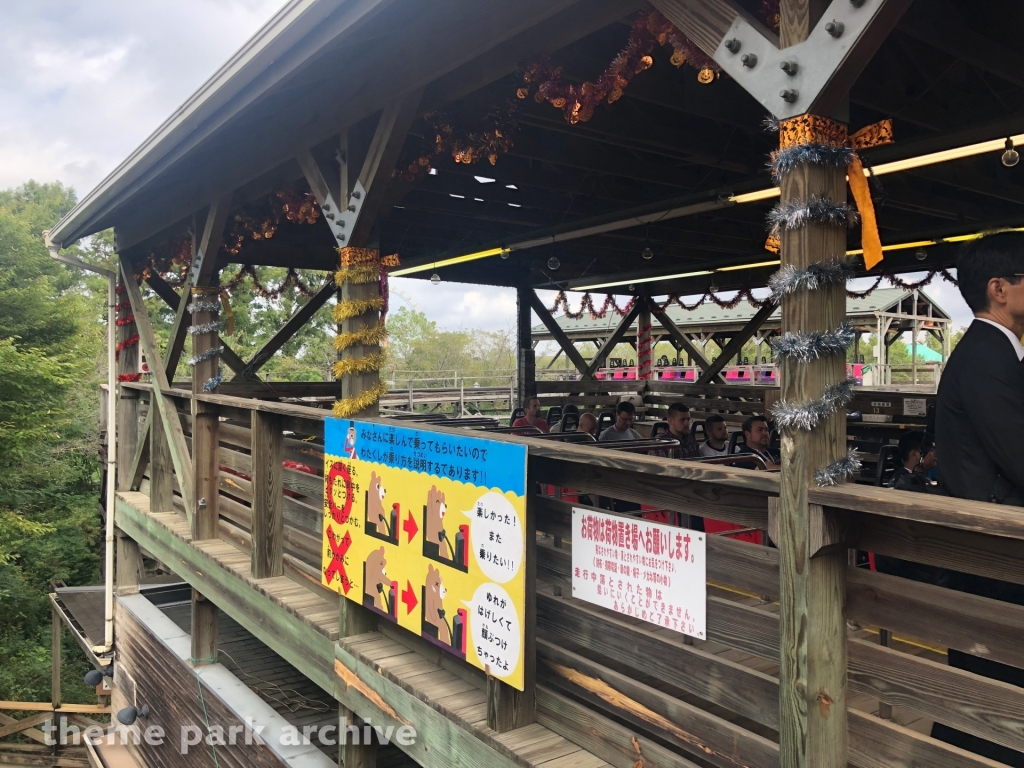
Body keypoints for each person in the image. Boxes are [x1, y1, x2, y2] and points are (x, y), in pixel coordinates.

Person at [932, 231, 1024, 764]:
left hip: (986, 550)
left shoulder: (994, 353)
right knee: (993, 684)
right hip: (996, 553)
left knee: (985, 680)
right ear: (1000, 289)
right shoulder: (989, 357)